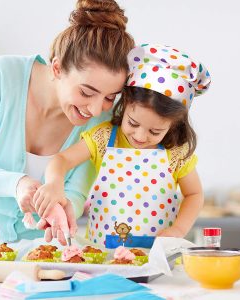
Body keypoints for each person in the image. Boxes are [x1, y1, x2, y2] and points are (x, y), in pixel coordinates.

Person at [0, 0, 135, 251]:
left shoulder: (103, 118)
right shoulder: (3, 75)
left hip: (39, 251)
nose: (94, 109)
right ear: (57, 68)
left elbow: (77, 191)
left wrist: (64, 205)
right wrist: (17, 184)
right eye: (87, 92)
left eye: (110, 97)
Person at [33, 43, 211, 248]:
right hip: (103, 253)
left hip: (156, 256)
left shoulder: (176, 152)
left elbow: (194, 194)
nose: (141, 136)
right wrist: (55, 184)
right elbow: (61, 159)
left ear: (173, 124)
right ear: (124, 103)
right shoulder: (104, 138)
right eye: (133, 123)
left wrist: (179, 229)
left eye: (155, 131)